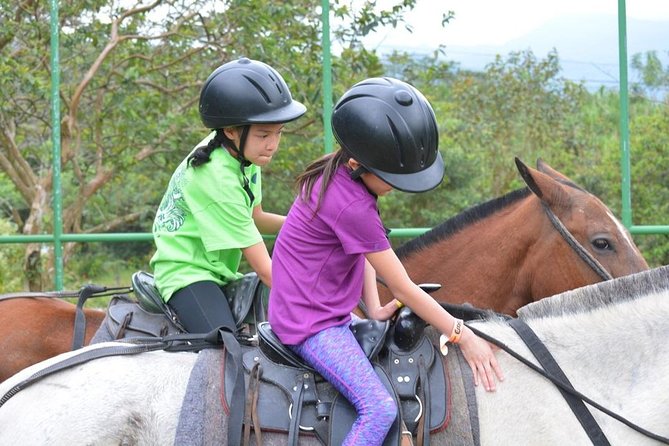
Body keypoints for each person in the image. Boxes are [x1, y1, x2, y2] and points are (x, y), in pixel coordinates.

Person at [268, 77, 503, 445]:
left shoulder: (336, 172)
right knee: (378, 409)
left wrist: (374, 308)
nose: (397, 185)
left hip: (316, 306)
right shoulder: (351, 205)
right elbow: (403, 286)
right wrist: (461, 334)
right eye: (393, 176)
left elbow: (358, 251)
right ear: (360, 161)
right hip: (310, 324)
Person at [150, 57, 306, 334]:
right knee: (224, 346)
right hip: (188, 274)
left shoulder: (242, 158)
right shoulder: (217, 177)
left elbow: (255, 218)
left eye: (278, 133)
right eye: (263, 135)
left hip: (219, 272)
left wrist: (313, 225)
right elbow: (266, 271)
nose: (272, 145)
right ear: (231, 130)